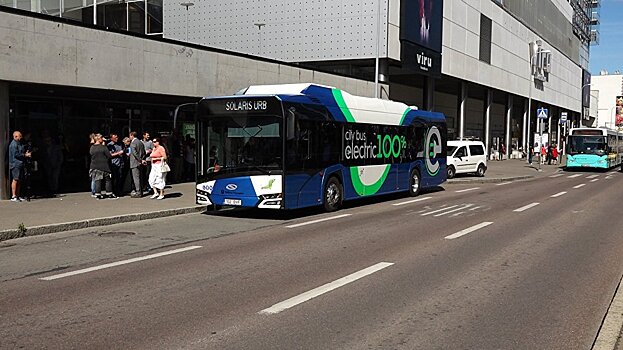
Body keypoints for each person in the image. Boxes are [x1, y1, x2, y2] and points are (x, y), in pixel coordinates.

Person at [89, 134, 116, 199]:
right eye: (102, 138)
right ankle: (109, 193)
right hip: (104, 166)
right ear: (99, 139)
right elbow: (109, 155)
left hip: (94, 165)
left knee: (98, 180)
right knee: (107, 180)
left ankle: (98, 193)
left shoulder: (92, 147)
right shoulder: (103, 147)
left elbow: (91, 154)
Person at [8, 131, 32, 202]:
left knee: (19, 180)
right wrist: (25, 155)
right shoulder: (13, 145)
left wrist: (25, 153)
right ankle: (14, 196)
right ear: (15, 137)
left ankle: (18, 195)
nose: (21, 137)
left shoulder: (19, 143)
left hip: (20, 163)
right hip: (15, 164)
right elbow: (16, 154)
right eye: (20, 136)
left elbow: (21, 151)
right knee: (15, 179)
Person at [129, 131, 146, 198]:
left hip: (135, 162)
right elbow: (144, 152)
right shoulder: (140, 142)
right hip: (140, 163)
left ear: (132, 135)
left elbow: (134, 153)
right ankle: (140, 191)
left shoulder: (133, 143)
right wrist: (142, 159)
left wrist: (140, 160)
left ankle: (138, 192)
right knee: (140, 177)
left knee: (136, 178)